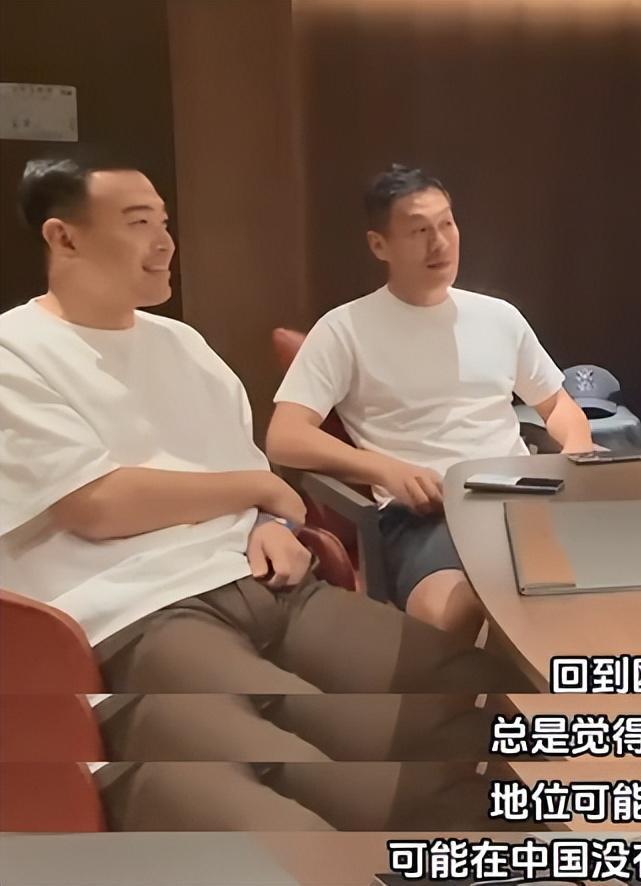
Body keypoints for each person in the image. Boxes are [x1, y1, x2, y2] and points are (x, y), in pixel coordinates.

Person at [0, 155, 528, 831]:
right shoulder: (17, 351)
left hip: (271, 584)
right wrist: (258, 489)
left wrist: (267, 523)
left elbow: (253, 483)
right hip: (147, 612)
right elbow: (99, 503)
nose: (165, 243)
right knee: (321, 782)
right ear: (64, 238)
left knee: (474, 695)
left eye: (164, 222)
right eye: (138, 224)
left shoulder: (182, 343)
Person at [266, 164, 593, 638]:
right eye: (420, 231)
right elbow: (285, 437)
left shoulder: (498, 317)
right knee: (452, 616)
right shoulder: (344, 329)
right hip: (425, 515)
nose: (440, 243)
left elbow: (558, 407)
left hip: (522, 499)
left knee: (605, 590)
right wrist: (384, 469)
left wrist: (577, 452)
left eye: (447, 224)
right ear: (379, 245)